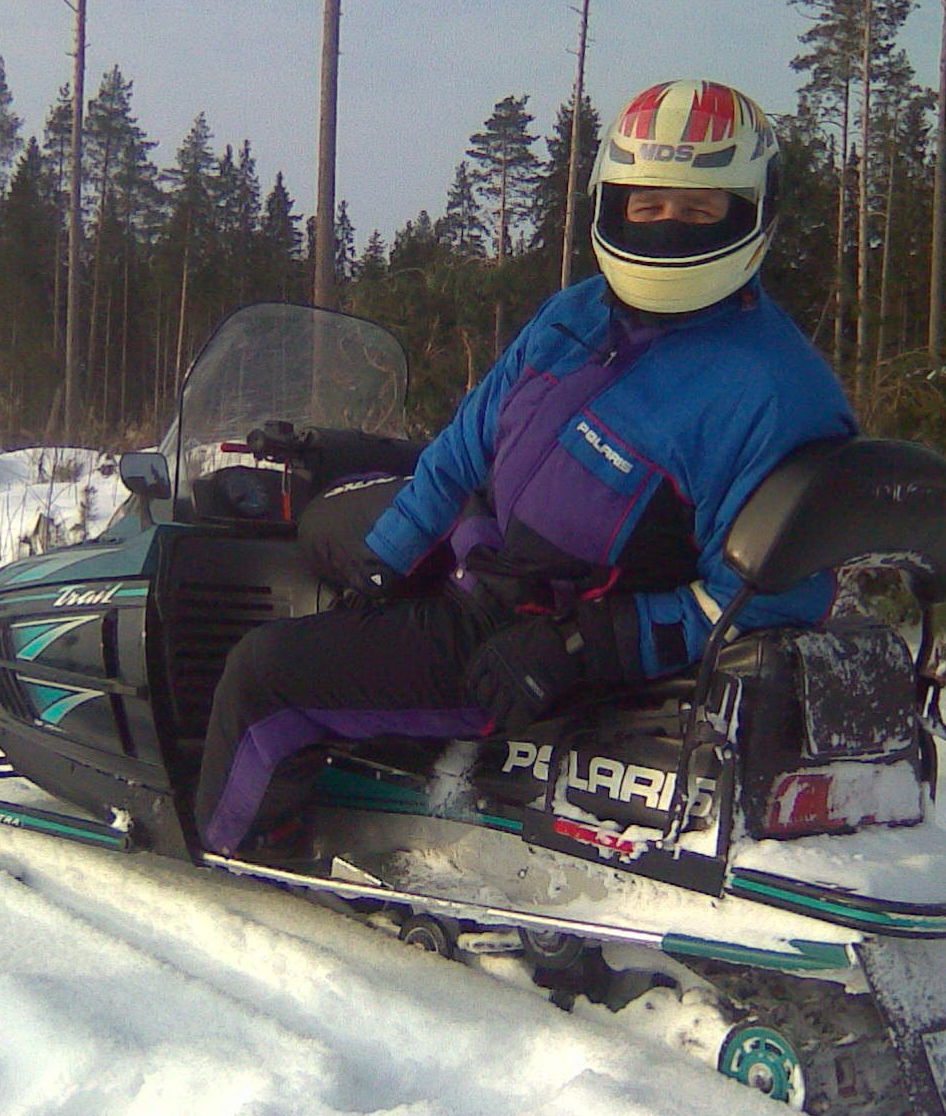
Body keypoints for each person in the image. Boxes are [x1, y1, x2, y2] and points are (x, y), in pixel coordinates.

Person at [193, 78, 857, 857]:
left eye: (699, 209)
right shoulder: (577, 312)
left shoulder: (775, 393)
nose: (667, 226)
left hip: (531, 633)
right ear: (613, 203)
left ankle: (238, 855)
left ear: (750, 213)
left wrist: (579, 646)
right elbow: (468, 441)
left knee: (264, 676)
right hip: (483, 550)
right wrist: (392, 554)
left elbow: (771, 596)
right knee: (324, 525)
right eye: (647, 204)